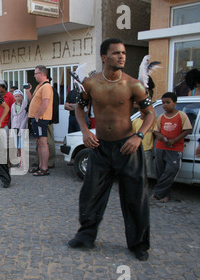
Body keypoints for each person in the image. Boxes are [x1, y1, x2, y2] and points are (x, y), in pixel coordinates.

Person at [67, 38, 156, 261]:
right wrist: (86, 131)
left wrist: (139, 136)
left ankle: (138, 244)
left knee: (135, 198)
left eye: (123, 52)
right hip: (100, 147)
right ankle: (86, 236)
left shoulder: (134, 85)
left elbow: (150, 114)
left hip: (127, 147)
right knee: (90, 195)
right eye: (116, 53)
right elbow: (80, 108)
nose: (122, 56)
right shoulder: (90, 84)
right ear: (104, 57)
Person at [152, 92, 192, 203]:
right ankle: (165, 195)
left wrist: (174, 140)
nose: (165, 105)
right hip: (161, 147)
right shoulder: (161, 117)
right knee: (160, 171)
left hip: (174, 149)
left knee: (170, 171)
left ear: (174, 103)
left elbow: (187, 129)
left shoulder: (181, 115)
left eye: (168, 102)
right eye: (163, 103)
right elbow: (156, 130)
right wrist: (159, 135)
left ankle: (157, 192)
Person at [25, 65, 53, 176]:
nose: (34, 76)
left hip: (41, 119)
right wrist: (28, 91)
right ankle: (40, 166)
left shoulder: (46, 87)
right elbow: (32, 101)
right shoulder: (40, 86)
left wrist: (37, 117)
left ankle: (44, 168)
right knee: (39, 143)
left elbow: (45, 104)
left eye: (35, 73)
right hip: (36, 119)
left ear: (41, 74)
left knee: (43, 143)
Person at [132, 109, 156, 177]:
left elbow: (155, 133)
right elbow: (133, 134)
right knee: (137, 167)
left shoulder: (152, 122)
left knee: (147, 170)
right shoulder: (136, 121)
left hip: (147, 149)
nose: (143, 112)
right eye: (141, 111)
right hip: (137, 149)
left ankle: (145, 182)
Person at [10, 89, 28, 170]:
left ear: (22, 96)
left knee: (22, 146)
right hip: (15, 127)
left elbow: (26, 117)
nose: (17, 98)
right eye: (16, 96)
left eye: (19, 96)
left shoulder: (25, 104)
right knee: (17, 146)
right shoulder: (13, 105)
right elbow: (12, 117)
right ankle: (19, 162)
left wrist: (22, 127)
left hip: (22, 127)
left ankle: (23, 163)